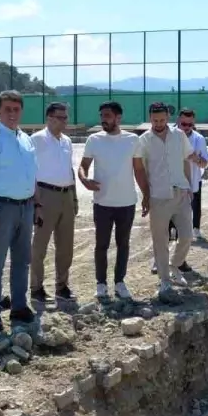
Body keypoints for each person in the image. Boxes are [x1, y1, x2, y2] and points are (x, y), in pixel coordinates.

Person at [0, 91, 38, 333]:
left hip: (26, 207)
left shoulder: (26, 139)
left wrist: (35, 203)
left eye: (16, 109)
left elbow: (31, 173)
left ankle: (19, 307)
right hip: (2, 208)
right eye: (7, 109)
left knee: (22, 261)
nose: (12, 113)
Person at [134, 102, 198, 301]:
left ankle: (175, 264)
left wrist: (189, 186)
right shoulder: (143, 140)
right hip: (158, 196)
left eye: (162, 120)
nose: (159, 123)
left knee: (187, 236)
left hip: (181, 193)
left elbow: (186, 159)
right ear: (150, 118)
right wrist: (145, 194)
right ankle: (164, 281)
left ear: (168, 118)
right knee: (160, 240)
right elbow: (139, 169)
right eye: (155, 120)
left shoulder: (179, 136)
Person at [79, 101, 139, 302]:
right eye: (101, 115)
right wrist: (84, 179)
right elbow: (83, 166)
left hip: (127, 203)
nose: (103, 119)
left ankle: (120, 282)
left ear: (118, 117)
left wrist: (146, 194)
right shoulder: (94, 139)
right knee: (101, 245)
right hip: (102, 203)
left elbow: (138, 169)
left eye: (107, 115)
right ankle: (101, 283)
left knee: (123, 244)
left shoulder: (132, 140)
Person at [29, 102, 77, 306]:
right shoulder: (36, 140)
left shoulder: (66, 141)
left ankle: (61, 286)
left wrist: (74, 197)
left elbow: (69, 169)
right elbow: (29, 171)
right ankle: (36, 288)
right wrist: (36, 201)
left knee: (65, 246)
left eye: (66, 117)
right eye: (60, 117)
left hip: (66, 195)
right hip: (45, 196)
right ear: (49, 118)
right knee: (40, 246)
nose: (64, 121)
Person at [168, 108, 208, 242]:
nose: (186, 127)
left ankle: (195, 228)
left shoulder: (199, 139)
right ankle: (172, 230)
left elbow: (205, 163)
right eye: (183, 124)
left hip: (192, 179)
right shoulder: (168, 135)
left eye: (189, 124)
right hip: (172, 180)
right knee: (171, 206)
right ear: (178, 121)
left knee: (194, 205)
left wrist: (195, 159)